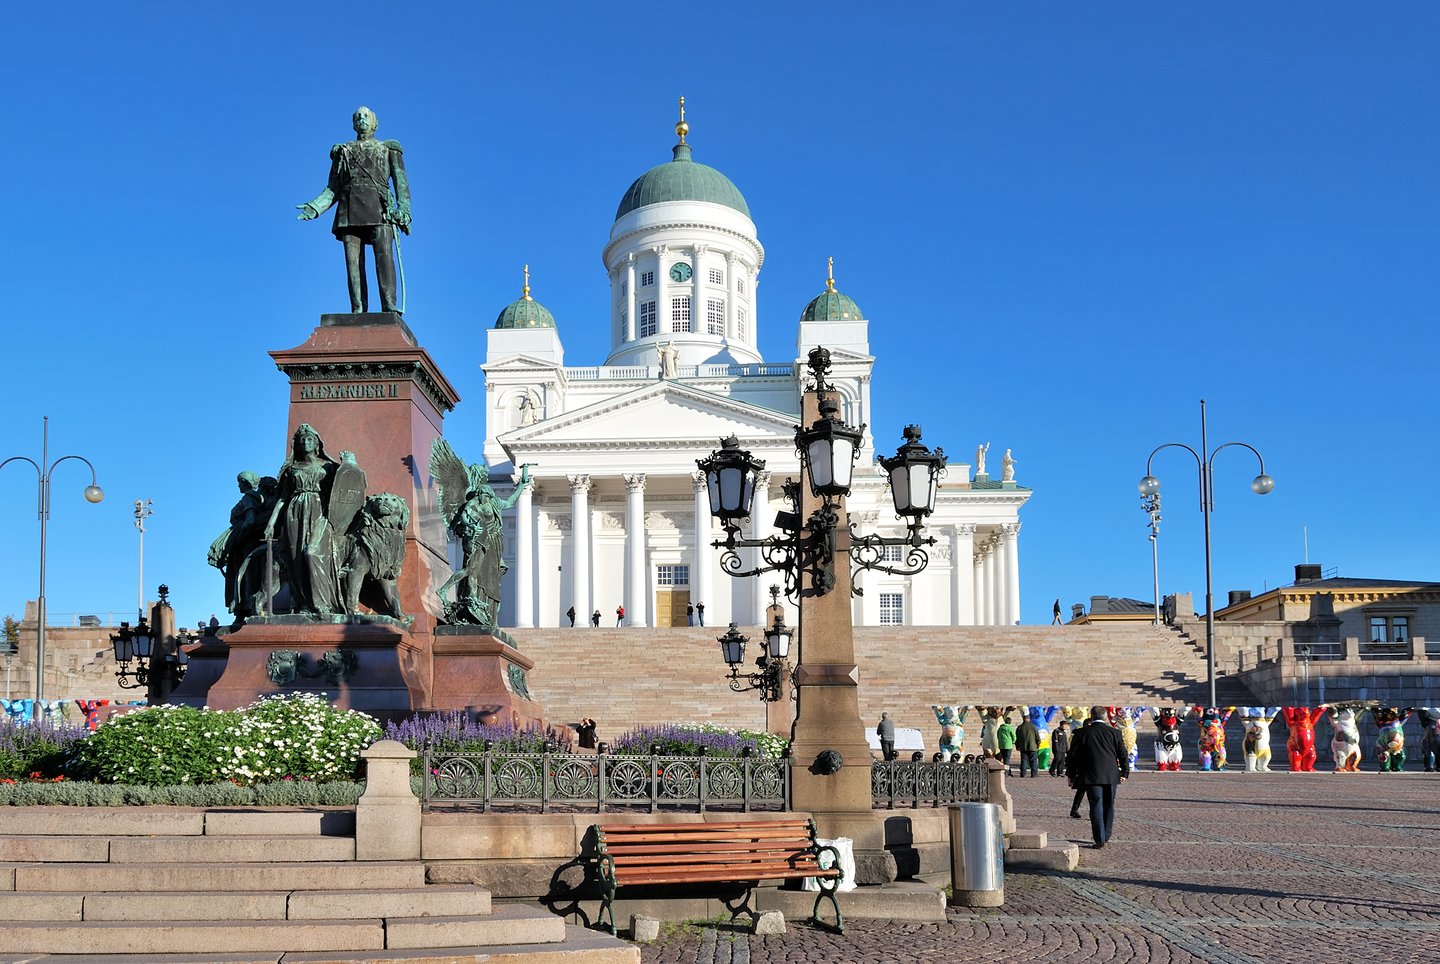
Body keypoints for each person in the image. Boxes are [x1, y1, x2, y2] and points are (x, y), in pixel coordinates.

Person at [297, 106, 412, 314]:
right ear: (353, 123)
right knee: (353, 264)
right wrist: (315, 207)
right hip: (349, 209)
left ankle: (388, 305)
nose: (361, 119)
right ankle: (358, 309)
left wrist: (404, 209)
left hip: (380, 208)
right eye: (358, 116)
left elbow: (401, 182)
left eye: (366, 116)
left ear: (374, 123)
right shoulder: (343, 151)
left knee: (384, 258)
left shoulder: (388, 148)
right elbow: (333, 187)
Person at [1066, 704, 1130, 849]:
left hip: (1091, 775)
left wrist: (1071, 775)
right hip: (1111, 774)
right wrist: (1125, 772)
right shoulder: (1115, 733)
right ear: (1105, 717)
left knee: (1096, 805)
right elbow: (1123, 754)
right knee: (1109, 805)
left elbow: (1072, 757)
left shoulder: (1081, 733)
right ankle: (1106, 835)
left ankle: (1099, 839)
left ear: (1091, 716)